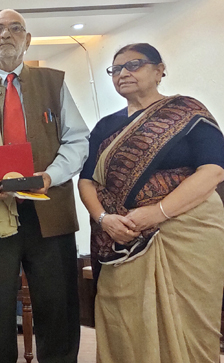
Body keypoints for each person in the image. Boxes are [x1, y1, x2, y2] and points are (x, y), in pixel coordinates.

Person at [0, 9, 89, 363]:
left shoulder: (53, 82)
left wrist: (49, 176)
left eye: (15, 29)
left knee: (58, 308)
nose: (5, 35)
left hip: (49, 213)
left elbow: (78, 141)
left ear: (28, 40)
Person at [78, 43, 224, 363]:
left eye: (134, 65)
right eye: (116, 69)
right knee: (123, 321)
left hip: (189, 235)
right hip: (122, 239)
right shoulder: (105, 127)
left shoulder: (188, 111)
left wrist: (156, 213)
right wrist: (104, 219)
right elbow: (87, 181)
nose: (123, 74)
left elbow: (213, 170)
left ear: (159, 71)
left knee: (192, 323)